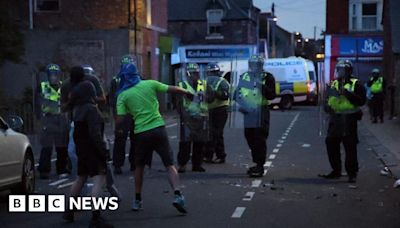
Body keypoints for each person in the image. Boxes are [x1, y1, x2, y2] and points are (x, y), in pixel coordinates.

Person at [116, 63, 191, 213]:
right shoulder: (150, 84)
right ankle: (178, 195)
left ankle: (137, 200)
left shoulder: (123, 95)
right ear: (137, 74)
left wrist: (130, 113)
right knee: (169, 164)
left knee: (139, 166)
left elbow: (119, 120)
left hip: (141, 133)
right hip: (158, 128)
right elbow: (172, 88)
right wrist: (187, 92)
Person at [62, 66, 113, 228]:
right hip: (92, 148)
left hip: (81, 148)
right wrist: (104, 150)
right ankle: (96, 217)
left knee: (81, 177)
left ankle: (69, 211)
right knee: (99, 178)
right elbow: (95, 134)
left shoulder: (76, 111)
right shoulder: (91, 110)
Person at [319, 60, 366, 183]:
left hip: (349, 119)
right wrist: (327, 107)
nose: (340, 72)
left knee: (350, 146)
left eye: (342, 70)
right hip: (335, 119)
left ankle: (352, 173)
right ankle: (336, 170)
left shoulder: (356, 84)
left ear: (349, 71)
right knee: (331, 143)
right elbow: (327, 100)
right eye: (338, 70)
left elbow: (361, 101)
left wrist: (347, 93)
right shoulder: (333, 84)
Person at [234, 55, 276, 177]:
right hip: (248, 111)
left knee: (259, 138)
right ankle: (256, 162)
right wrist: (242, 104)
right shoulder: (245, 76)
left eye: (256, 64)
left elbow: (272, 95)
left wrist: (260, 85)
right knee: (249, 136)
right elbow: (237, 93)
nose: (254, 67)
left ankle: (260, 165)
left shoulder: (267, 77)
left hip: (261, 111)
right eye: (252, 64)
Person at [36, 63, 70, 179]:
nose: (53, 77)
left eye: (56, 74)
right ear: (47, 75)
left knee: (62, 146)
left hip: (61, 119)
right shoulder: (42, 86)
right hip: (48, 119)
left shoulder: (63, 86)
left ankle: (62, 168)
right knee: (47, 146)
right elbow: (37, 103)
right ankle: (44, 170)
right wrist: (39, 119)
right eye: (51, 74)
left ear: (59, 75)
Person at [177, 63, 209, 173]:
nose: (195, 75)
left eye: (196, 73)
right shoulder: (182, 85)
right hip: (188, 118)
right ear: (187, 74)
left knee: (200, 142)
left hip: (201, 117)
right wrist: (182, 114)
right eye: (193, 73)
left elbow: (212, 96)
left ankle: (197, 165)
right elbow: (177, 100)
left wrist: (206, 96)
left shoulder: (203, 84)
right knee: (185, 142)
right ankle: (182, 164)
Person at [109, 55, 136, 174]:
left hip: (123, 114)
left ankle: (118, 165)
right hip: (132, 113)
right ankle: (133, 164)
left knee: (121, 139)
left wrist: (115, 115)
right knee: (134, 139)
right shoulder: (137, 78)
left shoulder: (115, 79)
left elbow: (112, 100)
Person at [204, 62, 230, 164]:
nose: (212, 75)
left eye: (213, 72)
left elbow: (225, 95)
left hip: (220, 110)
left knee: (216, 133)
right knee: (208, 133)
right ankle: (208, 155)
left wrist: (215, 93)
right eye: (211, 73)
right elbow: (199, 95)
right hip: (207, 110)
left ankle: (219, 155)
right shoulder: (202, 82)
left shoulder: (223, 82)